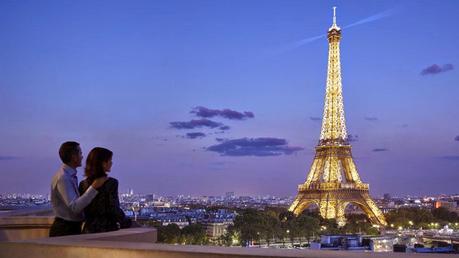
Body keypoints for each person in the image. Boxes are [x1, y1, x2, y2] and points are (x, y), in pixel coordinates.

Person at [49, 141, 107, 237]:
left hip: (70, 228)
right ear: (73, 157)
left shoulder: (68, 176)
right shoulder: (63, 177)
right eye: (80, 153)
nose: (82, 157)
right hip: (65, 230)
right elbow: (75, 207)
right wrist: (94, 187)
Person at [79, 147, 131, 233]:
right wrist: (127, 222)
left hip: (88, 230)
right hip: (107, 229)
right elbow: (113, 208)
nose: (111, 163)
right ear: (103, 163)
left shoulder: (82, 184)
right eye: (110, 160)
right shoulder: (111, 183)